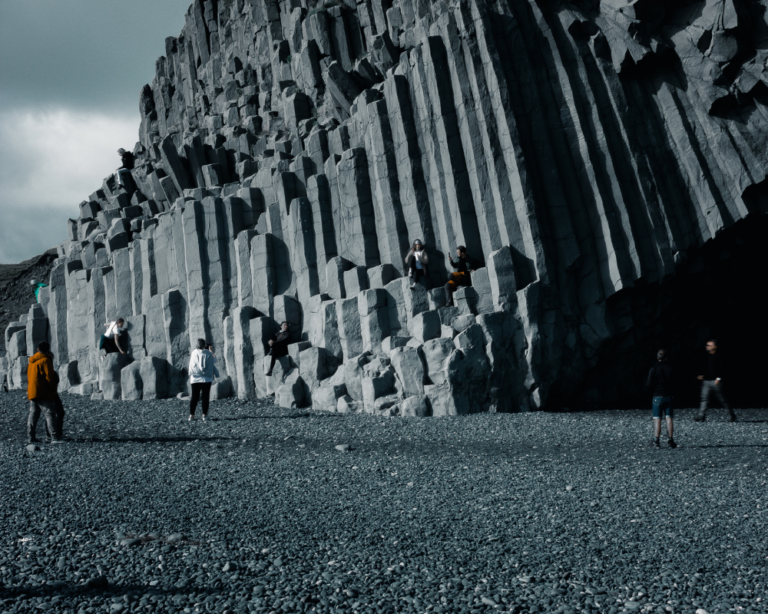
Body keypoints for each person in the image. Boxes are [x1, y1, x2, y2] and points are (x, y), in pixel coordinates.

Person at [26, 342, 62, 444]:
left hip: (32, 391)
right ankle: (54, 437)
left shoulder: (32, 361)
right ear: (48, 349)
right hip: (43, 392)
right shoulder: (46, 360)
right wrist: (53, 389)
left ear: (38, 349)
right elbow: (49, 377)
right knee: (50, 414)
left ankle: (30, 437)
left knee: (33, 415)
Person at [695, 339, 736, 422]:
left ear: (715, 347)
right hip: (706, 381)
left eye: (709, 345)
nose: (707, 347)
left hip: (716, 381)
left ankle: (731, 415)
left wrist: (718, 378)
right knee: (704, 398)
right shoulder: (706, 356)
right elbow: (706, 369)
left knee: (722, 399)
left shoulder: (720, 356)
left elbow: (722, 368)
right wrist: (703, 376)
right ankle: (701, 415)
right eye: (707, 345)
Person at [646, 349, 677, 449]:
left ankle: (656, 441)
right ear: (666, 358)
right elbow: (675, 382)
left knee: (657, 420)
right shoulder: (671, 368)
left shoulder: (653, 368)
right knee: (669, 418)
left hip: (657, 396)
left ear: (657, 358)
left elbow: (649, 384)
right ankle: (671, 441)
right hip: (669, 396)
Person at [188, 339, 218, 422]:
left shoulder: (193, 352)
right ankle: (204, 415)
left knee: (194, 397)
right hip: (206, 378)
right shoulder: (208, 353)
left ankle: (191, 416)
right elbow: (214, 360)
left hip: (194, 378)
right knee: (205, 397)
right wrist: (211, 350)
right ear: (204, 345)